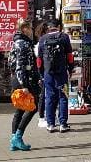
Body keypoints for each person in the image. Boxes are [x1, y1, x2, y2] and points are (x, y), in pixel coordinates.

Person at [9, 19, 40, 151]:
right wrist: (24, 85)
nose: (32, 31)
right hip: (25, 80)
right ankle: (17, 136)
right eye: (30, 28)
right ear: (24, 29)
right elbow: (20, 66)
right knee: (33, 107)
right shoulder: (22, 44)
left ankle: (14, 140)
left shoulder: (19, 42)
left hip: (19, 80)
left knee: (20, 110)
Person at [38, 21, 74, 133]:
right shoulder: (64, 37)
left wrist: (41, 73)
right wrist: (70, 69)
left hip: (48, 74)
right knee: (63, 97)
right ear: (59, 27)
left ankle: (50, 124)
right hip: (62, 72)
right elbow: (69, 55)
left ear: (48, 27)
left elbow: (39, 60)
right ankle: (63, 124)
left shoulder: (42, 39)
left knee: (49, 97)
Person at [34, 21, 48, 128]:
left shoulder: (41, 42)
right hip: (43, 72)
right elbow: (39, 61)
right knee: (43, 94)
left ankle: (46, 116)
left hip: (44, 72)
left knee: (46, 94)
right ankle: (42, 117)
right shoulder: (41, 43)